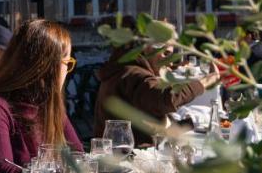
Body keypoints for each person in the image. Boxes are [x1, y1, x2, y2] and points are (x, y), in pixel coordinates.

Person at [0, 19, 84, 173]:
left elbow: (77, 155)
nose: (67, 70)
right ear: (47, 67)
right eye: (67, 63)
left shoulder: (49, 106)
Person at [92, 33, 221, 143]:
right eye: (166, 54)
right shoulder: (133, 74)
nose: (170, 62)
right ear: (147, 48)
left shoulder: (127, 69)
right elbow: (167, 99)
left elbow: (154, 125)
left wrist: (191, 123)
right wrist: (205, 81)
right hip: (124, 160)